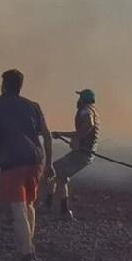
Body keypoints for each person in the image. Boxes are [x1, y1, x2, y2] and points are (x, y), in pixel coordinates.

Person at [0, 69, 54, 261]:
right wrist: (50, 164)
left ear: (3, 86)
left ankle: (27, 256)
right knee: (29, 204)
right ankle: (29, 247)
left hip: (13, 164)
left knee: (18, 208)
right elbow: (47, 136)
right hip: (35, 162)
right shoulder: (33, 107)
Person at [47, 89, 100, 220]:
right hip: (85, 153)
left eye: (80, 97)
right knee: (59, 174)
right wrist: (64, 135)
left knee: (54, 170)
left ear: (82, 99)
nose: (78, 100)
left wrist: (76, 137)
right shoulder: (92, 110)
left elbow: (89, 125)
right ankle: (55, 207)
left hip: (83, 153)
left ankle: (60, 210)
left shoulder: (85, 111)